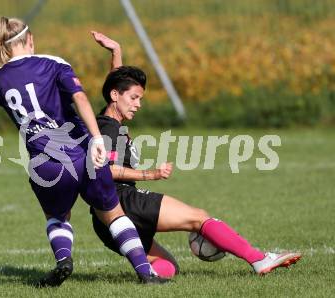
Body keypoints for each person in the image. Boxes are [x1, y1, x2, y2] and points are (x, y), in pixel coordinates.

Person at [0, 17, 169, 286]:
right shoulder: (53, 64)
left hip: (46, 165)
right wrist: (98, 139)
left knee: (57, 218)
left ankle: (64, 260)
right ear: (29, 39)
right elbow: (80, 98)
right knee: (113, 214)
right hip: (82, 154)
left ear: (4, 48)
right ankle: (146, 273)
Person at [89, 31, 302, 277]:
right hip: (122, 201)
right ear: (116, 96)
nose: (138, 104)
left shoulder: (108, 120)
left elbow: (116, 86)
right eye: (134, 98)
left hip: (104, 220)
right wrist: (151, 173)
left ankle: (149, 281)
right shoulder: (108, 128)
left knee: (167, 267)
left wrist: (116, 52)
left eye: (140, 98)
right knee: (198, 218)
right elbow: (105, 169)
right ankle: (259, 259)